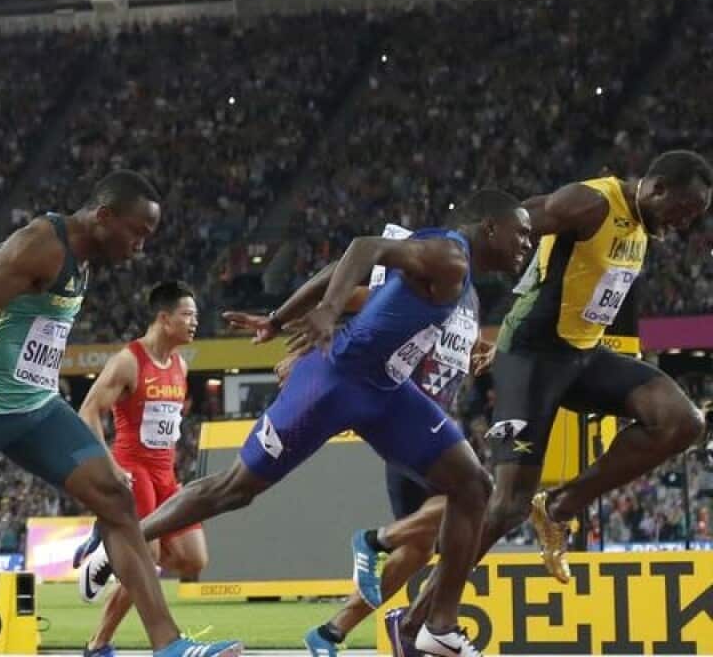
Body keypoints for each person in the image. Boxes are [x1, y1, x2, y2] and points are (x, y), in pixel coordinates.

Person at [78, 190, 533, 657]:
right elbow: (361, 250)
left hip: (388, 392)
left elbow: (341, 270)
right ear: (491, 227)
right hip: (334, 381)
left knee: (473, 485)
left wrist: (277, 319)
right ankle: (121, 539)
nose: (527, 244)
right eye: (521, 234)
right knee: (235, 489)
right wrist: (325, 312)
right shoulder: (447, 253)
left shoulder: (463, 281)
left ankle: (437, 625)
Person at [398, 151, 713, 650]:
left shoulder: (639, 225)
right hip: (532, 356)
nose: (686, 224)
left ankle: (561, 507)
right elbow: (503, 226)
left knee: (682, 421)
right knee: (504, 508)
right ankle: (417, 624)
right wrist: (439, 283)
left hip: (584, 357)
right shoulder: (590, 203)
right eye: (686, 210)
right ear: (657, 187)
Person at [0, 171, 241, 657]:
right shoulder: (44, 242)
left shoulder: (84, 256)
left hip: (36, 404)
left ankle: (170, 646)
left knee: (118, 499)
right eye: (137, 232)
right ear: (103, 217)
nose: (140, 246)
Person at [291, 240, 497, 657]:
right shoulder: (427, 285)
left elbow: (450, 345)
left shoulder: (470, 299)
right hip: (409, 425)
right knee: (478, 496)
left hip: (439, 430)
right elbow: (353, 301)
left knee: (418, 550)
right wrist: (295, 334)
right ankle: (375, 540)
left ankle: (330, 633)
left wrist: (485, 350)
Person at [72, 281, 208, 657]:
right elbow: (88, 412)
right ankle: (98, 645)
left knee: (193, 559)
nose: (195, 322)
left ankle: (107, 554)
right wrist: (109, 466)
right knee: (147, 561)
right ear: (164, 319)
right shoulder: (129, 360)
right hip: (133, 470)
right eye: (188, 315)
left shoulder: (180, 363)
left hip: (167, 474)